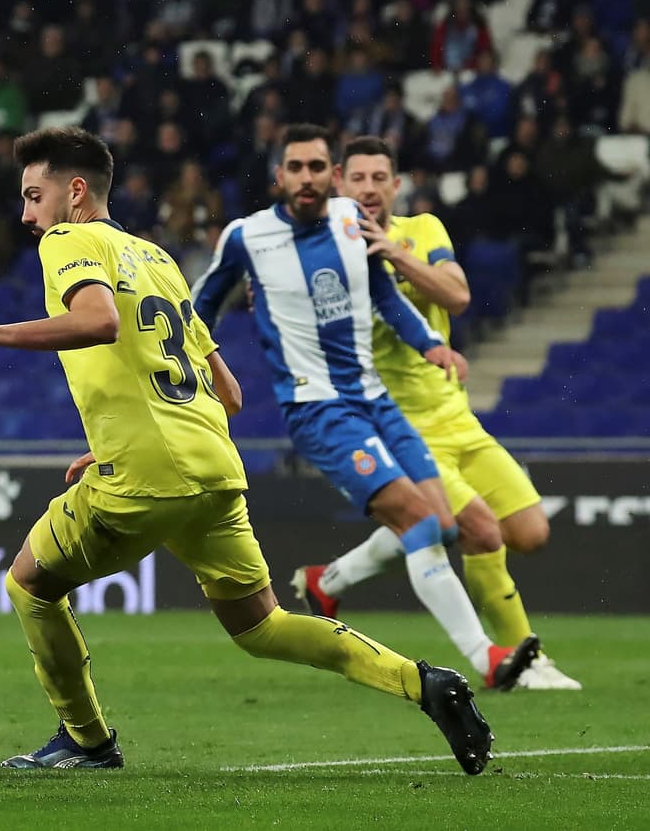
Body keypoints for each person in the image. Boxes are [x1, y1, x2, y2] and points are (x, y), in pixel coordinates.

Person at [0, 126, 498, 776]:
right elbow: (228, 390)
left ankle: (87, 738)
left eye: (34, 196)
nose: (27, 214)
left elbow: (99, 320)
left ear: (74, 191)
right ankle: (423, 681)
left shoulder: (72, 238)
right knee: (263, 625)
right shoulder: (155, 257)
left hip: (150, 473)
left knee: (30, 583)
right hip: (211, 465)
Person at [192, 123, 540, 692]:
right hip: (318, 409)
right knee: (421, 520)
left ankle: (328, 582)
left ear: (332, 176)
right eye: (296, 168)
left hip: (375, 399)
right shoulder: (245, 237)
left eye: (317, 168)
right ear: (280, 176)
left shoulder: (352, 223)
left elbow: (383, 295)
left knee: (445, 524)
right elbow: (196, 309)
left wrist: (430, 343)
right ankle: (487, 657)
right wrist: (206, 369)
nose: (307, 178)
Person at [297, 135, 580, 690]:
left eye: (381, 178)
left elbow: (457, 296)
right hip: (397, 426)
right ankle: (522, 662)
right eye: (359, 178)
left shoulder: (423, 230)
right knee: (478, 530)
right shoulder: (318, 250)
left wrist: (394, 254)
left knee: (530, 531)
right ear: (339, 182)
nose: (370, 188)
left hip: (458, 418)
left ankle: (328, 580)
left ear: (396, 186)